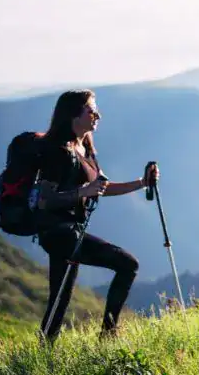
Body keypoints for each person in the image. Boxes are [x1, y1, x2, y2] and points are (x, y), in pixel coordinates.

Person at [34, 89, 159, 345]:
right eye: (91, 110)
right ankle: (108, 335)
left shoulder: (85, 146)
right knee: (128, 264)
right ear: (73, 115)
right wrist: (83, 191)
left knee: (60, 297)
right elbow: (45, 199)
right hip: (58, 232)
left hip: (70, 232)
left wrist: (141, 183)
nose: (97, 115)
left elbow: (102, 188)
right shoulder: (58, 151)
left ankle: (43, 351)